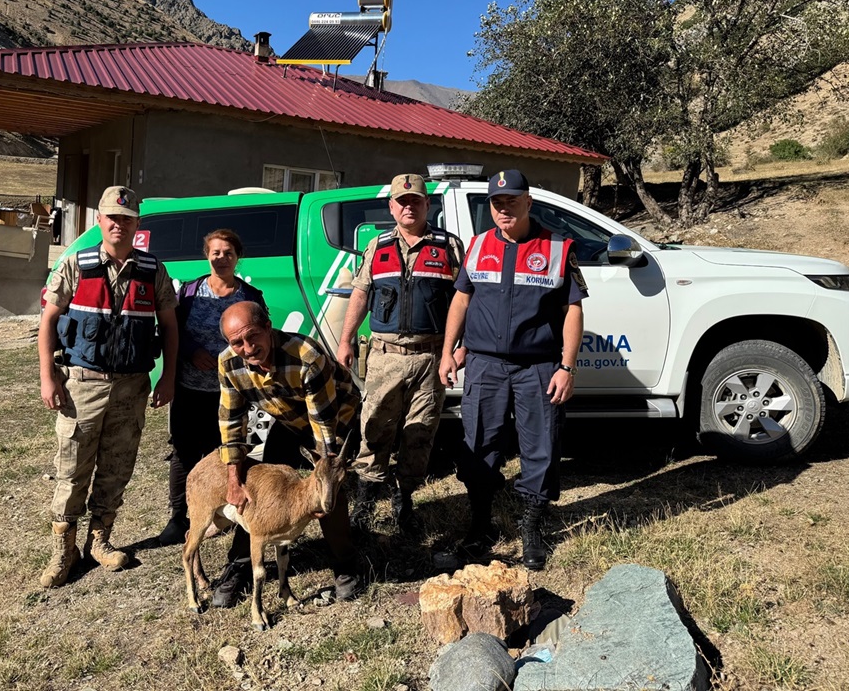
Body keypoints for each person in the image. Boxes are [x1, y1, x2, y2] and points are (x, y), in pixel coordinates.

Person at [438, 169, 587, 570]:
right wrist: (448, 351)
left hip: (538, 366)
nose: (504, 209)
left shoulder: (558, 247)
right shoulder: (478, 245)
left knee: (541, 446)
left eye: (512, 201)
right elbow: (461, 300)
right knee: (479, 443)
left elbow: (573, 310)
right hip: (484, 365)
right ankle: (481, 525)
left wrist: (567, 366)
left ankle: (532, 527)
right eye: (497, 202)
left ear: (528, 202)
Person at [37, 185, 179, 588]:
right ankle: (63, 551)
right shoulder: (76, 265)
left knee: (117, 467)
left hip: (132, 387)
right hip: (82, 385)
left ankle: (99, 540)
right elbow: (48, 322)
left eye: (127, 219)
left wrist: (167, 377)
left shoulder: (152, 270)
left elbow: (170, 327)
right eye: (113, 218)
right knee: (72, 469)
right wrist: (48, 377)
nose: (120, 224)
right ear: (99, 220)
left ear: (137, 224)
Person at [336, 173, 464, 533]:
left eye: (416, 201)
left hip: (430, 357)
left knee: (419, 433)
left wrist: (461, 348)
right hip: (385, 356)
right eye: (402, 202)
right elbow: (360, 293)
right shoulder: (378, 246)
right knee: (375, 426)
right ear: (391, 207)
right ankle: (365, 501)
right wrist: (345, 341)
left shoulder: (449, 246)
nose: (409, 207)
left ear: (427, 205)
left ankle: (404, 500)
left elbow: (465, 299)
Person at [212, 301, 361, 607]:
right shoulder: (228, 363)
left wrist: (322, 494)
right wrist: (233, 479)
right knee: (257, 488)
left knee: (329, 489)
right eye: (237, 342)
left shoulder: (306, 355)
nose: (248, 348)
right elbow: (231, 423)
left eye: (253, 336)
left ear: (268, 328)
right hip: (288, 419)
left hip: (334, 417)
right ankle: (239, 566)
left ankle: (345, 564)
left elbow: (323, 428)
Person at [158, 229, 266, 545]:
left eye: (228, 253)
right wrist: (192, 351)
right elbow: (172, 331)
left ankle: (222, 513)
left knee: (226, 452)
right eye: (215, 252)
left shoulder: (250, 296)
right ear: (207, 255)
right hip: (190, 389)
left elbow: (261, 337)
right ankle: (180, 517)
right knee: (184, 453)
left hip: (232, 393)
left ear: (237, 257)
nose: (221, 258)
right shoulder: (191, 292)